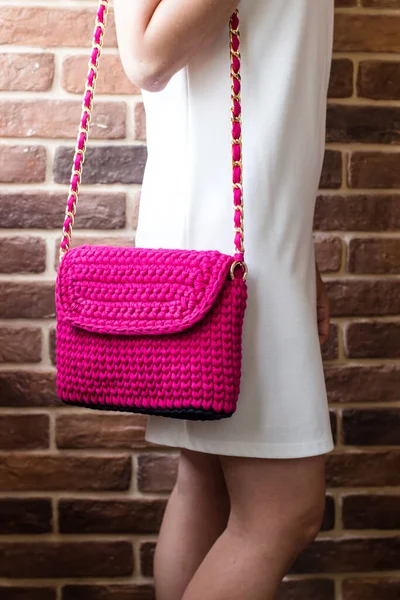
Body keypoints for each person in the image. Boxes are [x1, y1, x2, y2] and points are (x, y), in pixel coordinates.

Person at [114, 1, 335, 599]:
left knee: (206, 480)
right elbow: (147, 57)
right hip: (230, 246)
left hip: (241, 228)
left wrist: (299, 247)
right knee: (283, 512)